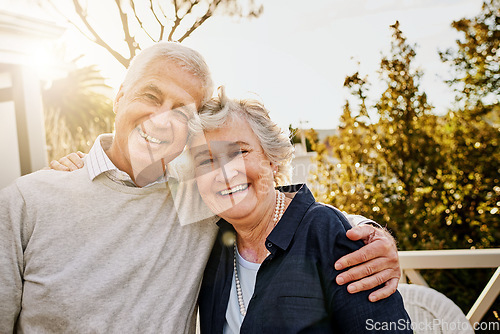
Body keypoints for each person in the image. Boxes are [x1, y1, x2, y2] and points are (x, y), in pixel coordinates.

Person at [1, 42, 398, 333]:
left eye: (181, 111)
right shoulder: (27, 202)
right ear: (119, 96)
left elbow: (275, 206)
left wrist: (373, 236)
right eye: (150, 96)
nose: (160, 120)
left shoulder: (198, 195)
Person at [192, 88, 411, 333]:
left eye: (240, 152)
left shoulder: (326, 234)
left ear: (271, 160)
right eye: (206, 161)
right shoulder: (209, 244)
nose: (225, 173)